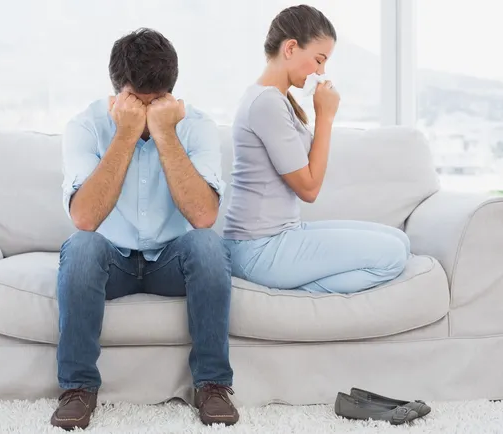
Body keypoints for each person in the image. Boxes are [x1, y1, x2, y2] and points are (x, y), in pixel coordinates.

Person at [53, 28, 239, 430]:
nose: (146, 113)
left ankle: (212, 385)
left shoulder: (196, 126)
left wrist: (165, 133)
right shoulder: (85, 126)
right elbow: (84, 218)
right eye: (138, 102)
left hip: (170, 262)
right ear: (119, 92)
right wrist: (124, 134)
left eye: (157, 103)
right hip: (112, 263)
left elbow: (204, 216)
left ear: (171, 94)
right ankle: (78, 388)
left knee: (208, 245)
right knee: (81, 246)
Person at [223, 5, 410, 294]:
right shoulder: (266, 103)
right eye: (318, 60)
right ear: (291, 48)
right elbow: (309, 189)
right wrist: (326, 116)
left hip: (281, 236)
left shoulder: (275, 99)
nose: (321, 73)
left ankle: (300, 282)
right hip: (259, 249)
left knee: (400, 241)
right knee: (393, 256)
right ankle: (302, 295)